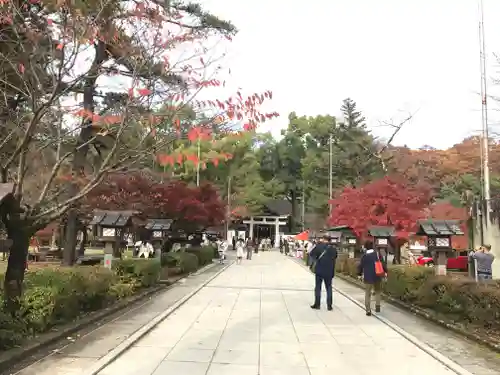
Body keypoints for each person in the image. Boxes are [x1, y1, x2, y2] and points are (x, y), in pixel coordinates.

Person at [357, 240, 388, 316]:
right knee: (377, 291)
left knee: (368, 293)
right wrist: (386, 272)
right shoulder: (377, 254)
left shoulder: (364, 256)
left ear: (365, 247)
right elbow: (383, 263)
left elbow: (361, 266)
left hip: (368, 276)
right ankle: (377, 307)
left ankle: (368, 310)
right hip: (377, 275)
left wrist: (359, 274)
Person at [310, 235, 338, 311]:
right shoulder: (333, 249)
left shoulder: (318, 246)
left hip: (319, 269)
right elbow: (335, 257)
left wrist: (316, 260)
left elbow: (311, 254)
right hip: (329, 271)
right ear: (330, 240)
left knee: (318, 287)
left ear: (323, 239)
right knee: (329, 287)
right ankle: (329, 305)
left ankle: (317, 304)